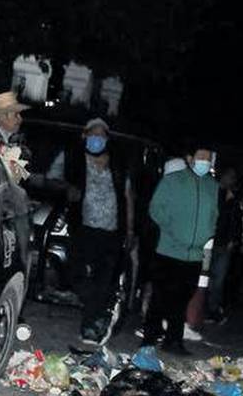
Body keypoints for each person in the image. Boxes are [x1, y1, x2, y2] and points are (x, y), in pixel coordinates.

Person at [47, 119, 135, 346]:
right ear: (84, 136)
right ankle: (97, 312)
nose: (98, 139)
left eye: (102, 136)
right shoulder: (72, 158)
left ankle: (90, 327)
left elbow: (128, 197)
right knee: (77, 275)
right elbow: (51, 178)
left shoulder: (117, 164)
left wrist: (130, 230)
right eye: (93, 135)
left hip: (111, 231)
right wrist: (67, 187)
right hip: (83, 228)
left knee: (104, 280)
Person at [143, 148, 219, 355]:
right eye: (200, 158)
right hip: (168, 249)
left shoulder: (212, 186)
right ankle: (149, 338)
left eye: (208, 159)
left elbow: (214, 214)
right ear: (190, 159)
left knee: (183, 298)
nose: (204, 162)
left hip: (194, 253)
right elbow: (155, 208)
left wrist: (207, 234)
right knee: (161, 296)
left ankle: (173, 340)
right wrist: (172, 229)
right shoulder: (173, 181)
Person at [206, 166, 243, 323]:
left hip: (224, 243)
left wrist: (233, 239)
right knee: (206, 277)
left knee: (218, 279)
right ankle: (202, 308)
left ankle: (212, 309)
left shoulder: (233, 198)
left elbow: (235, 220)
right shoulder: (214, 194)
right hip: (210, 240)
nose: (232, 180)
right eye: (230, 177)